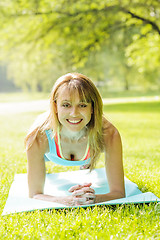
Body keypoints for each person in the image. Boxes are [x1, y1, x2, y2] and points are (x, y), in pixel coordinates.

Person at [25, 73, 125, 206]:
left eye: (82, 105)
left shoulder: (109, 134)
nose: (74, 113)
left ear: (93, 108)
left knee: (89, 156)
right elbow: (34, 194)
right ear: (55, 107)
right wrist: (68, 200)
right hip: (50, 151)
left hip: (90, 142)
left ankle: (85, 163)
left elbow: (118, 193)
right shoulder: (38, 137)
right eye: (66, 105)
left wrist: (90, 198)